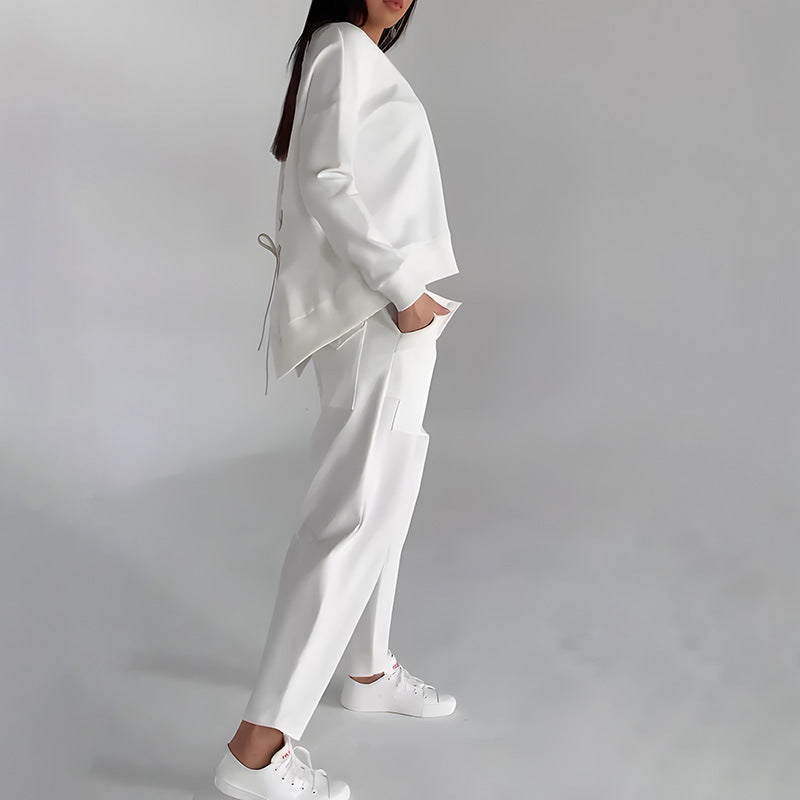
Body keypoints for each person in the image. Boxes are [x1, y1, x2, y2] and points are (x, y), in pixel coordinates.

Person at [214, 3, 462, 798]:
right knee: (349, 520)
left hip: (389, 312)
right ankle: (255, 752)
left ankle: (368, 669)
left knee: (384, 501)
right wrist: (403, 290)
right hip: (377, 313)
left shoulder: (353, 55)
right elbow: (323, 178)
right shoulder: (342, 45)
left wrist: (409, 296)